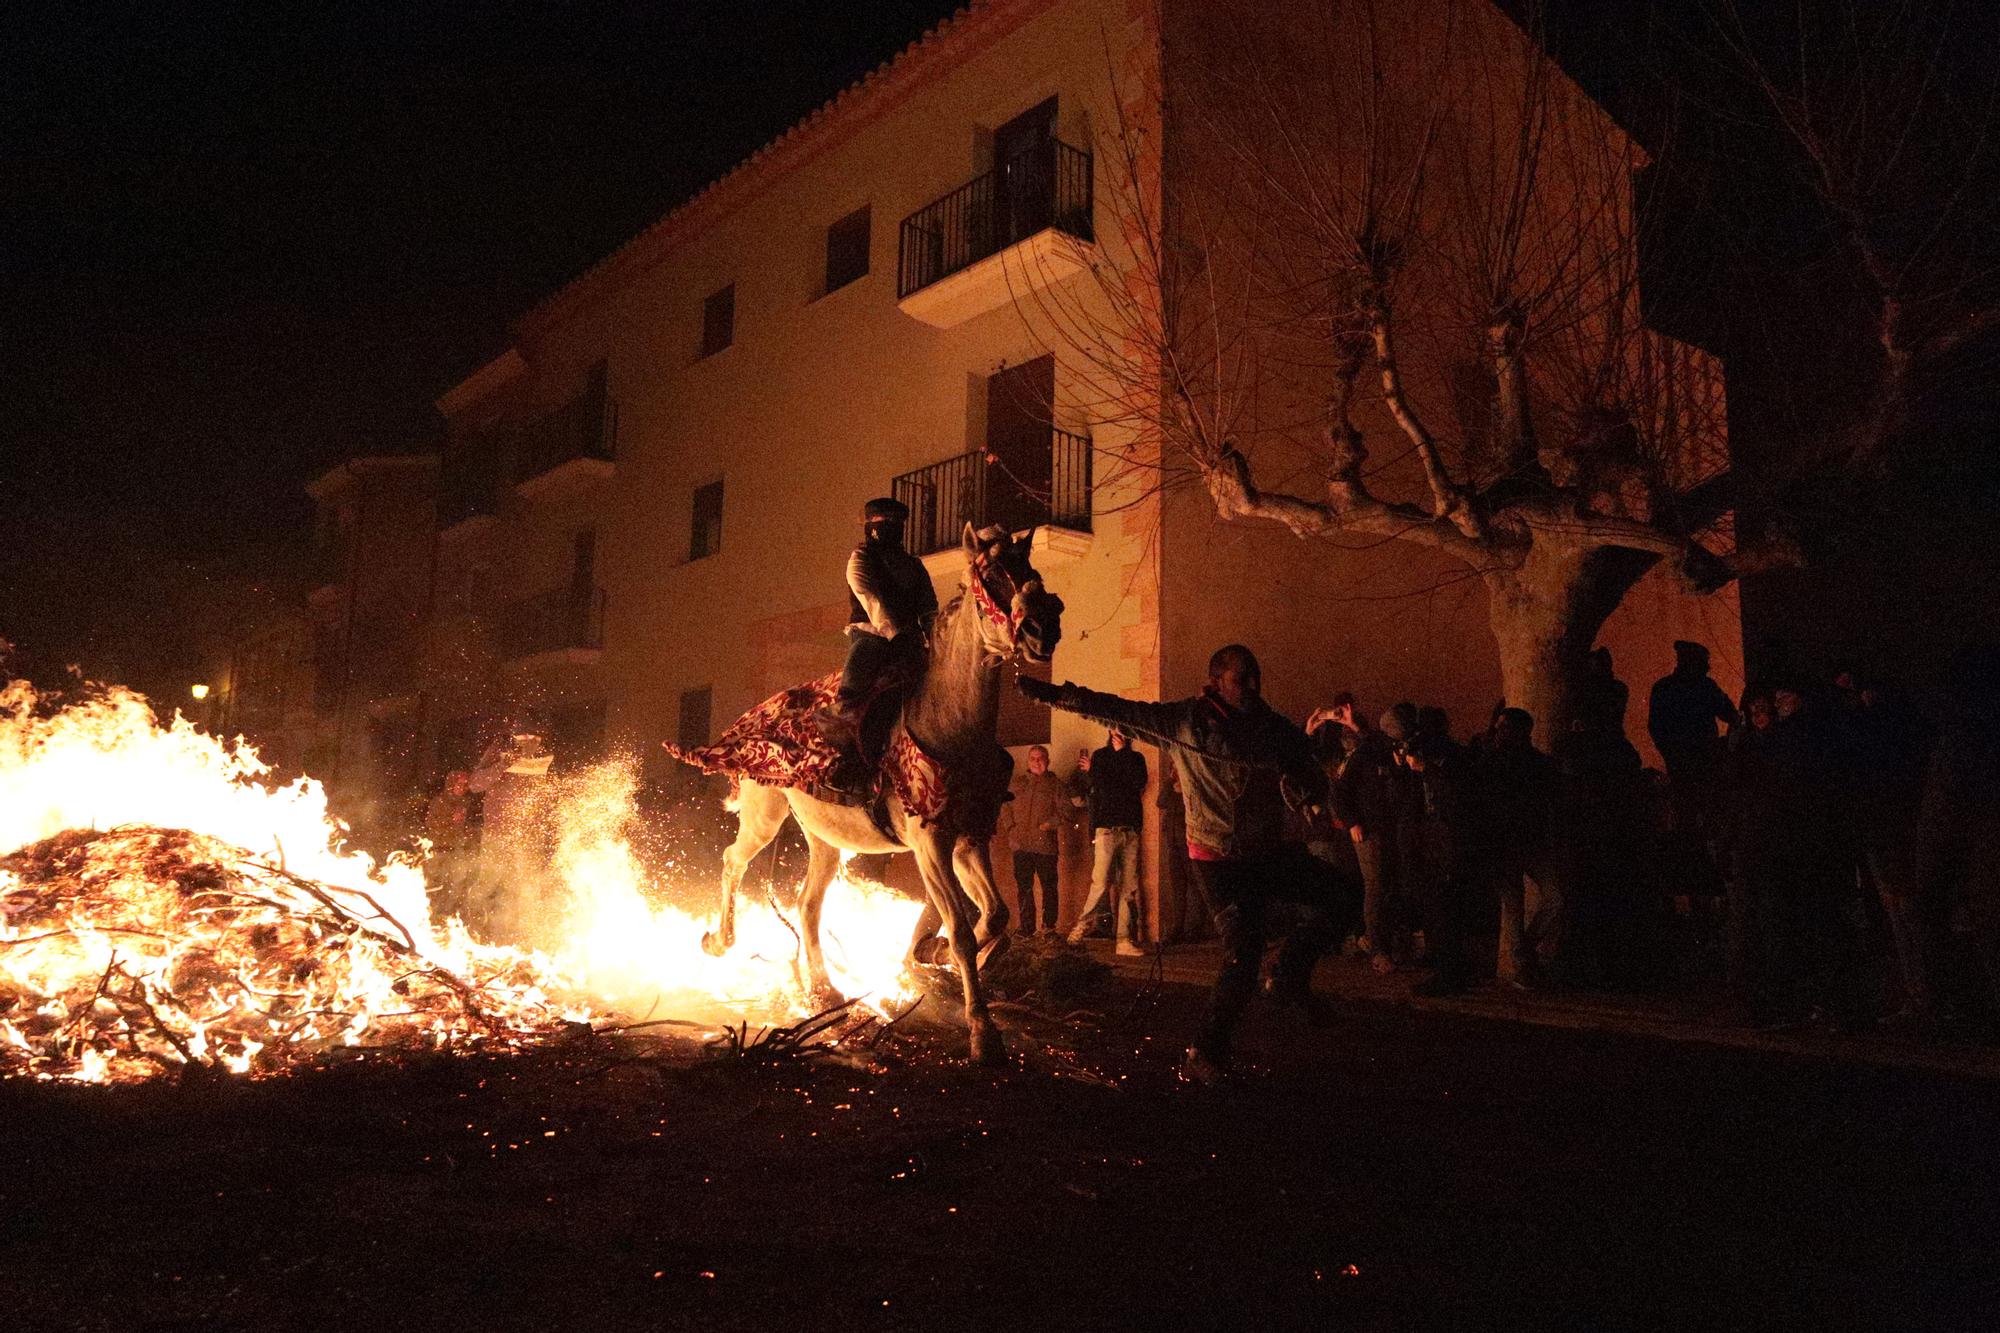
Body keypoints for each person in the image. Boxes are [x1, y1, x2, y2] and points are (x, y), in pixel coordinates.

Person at [1018, 644, 1360, 1083]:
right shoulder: (1183, 722)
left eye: (1256, 677)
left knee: (1344, 895)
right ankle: (1204, 1052)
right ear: (1216, 680)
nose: (1253, 687)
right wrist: (1053, 695)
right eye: (1242, 679)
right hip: (1218, 858)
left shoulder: (1268, 725)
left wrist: (1317, 781)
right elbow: (1115, 710)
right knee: (1243, 951)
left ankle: (1288, 972)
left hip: (1266, 850)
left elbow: (1307, 759)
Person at [821, 497, 937, 778]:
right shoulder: (860, 559)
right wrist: (895, 634)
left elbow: (929, 608)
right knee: (852, 693)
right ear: (871, 525)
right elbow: (871, 601)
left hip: (909, 642)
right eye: (886, 523)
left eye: (897, 524)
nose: (893, 528)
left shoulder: (914, 566)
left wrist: (936, 641)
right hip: (872, 636)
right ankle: (845, 758)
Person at [1472, 707, 1560, 988]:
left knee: (1556, 896)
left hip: (1531, 843)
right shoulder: (1489, 762)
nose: (1500, 733)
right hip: (1504, 845)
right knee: (1513, 908)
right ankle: (1523, 966)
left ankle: (1524, 952)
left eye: (1506, 728)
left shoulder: (1536, 764)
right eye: (1499, 728)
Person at [1067, 728, 1149, 955]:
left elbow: (1137, 783)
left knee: (1129, 886)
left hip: (1130, 829)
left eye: (1122, 730)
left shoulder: (1135, 758)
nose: (1118, 733)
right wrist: (1095, 772)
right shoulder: (1100, 757)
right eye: (1114, 728)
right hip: (1107, 829)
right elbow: (1103, 788)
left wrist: (1120, 756)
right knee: (1100, 882)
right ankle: (1082, 925)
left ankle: (1123, 940)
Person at [1647, 640, 1737, 801]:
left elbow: (1656, 728)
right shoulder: (1704, 687)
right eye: (1704, 663)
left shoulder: (1664, 687)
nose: (1708, 668)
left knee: (1688, 808)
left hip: (1685, 762)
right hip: (1698, 761)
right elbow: (1730, 714)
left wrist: (1670, 754)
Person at [997, 744, 1066, 935]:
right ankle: (1027, 928)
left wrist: (1049, 824)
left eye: (1041, 758)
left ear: (1048, 761)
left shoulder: (1055, 785)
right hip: (1021, 846)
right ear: (1028, 761)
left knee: (1049, 887)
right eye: (1033, 758)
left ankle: (1048, 927)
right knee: (1024, 887)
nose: (1037, 762)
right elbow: (1005, 806)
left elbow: (1066, 811)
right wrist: (1011, 829)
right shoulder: (1017, 783)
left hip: (1046, 847)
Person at [423, 769, 476, 915]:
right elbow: (431, 824)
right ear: (451, 784)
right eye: (460, 784)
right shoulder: (440, 801)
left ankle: (448, 914)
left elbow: (467, 826)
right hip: (440, 848)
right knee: (435, 883)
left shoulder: (465, 803)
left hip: (457, 848)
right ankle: (430, 912)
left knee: (457, 882)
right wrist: (450, 820)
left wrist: (468, 832)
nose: (463, 788)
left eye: (466, 785)